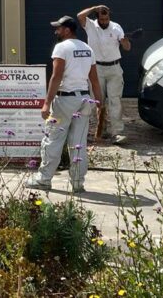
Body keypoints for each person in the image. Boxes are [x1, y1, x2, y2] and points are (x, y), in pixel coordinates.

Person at [25, 15, 102, 193]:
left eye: (58, 28)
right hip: (84, 101)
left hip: (64, 101)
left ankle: (44, 179)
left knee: (53, 140)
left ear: (67, 30)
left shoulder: (62, 48)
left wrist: (46, 103)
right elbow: (95, 80)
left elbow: (56, 77)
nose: (56, 31)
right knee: (78, 144)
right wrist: (99, 103)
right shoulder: (87, 49)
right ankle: (77, 183)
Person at [78, 4, 132, 144]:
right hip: (96, 68)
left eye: (106, 19)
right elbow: (80, 16)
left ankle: (117, 132)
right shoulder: (90, 26)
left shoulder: (116, 27)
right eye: (102, 19)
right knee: (96, 101)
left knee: (115, 100)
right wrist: (94, 7)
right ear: (97, 18)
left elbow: (127, 48)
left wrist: (124, 41)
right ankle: (99, 130)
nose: (104, 22)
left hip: (114, 67)